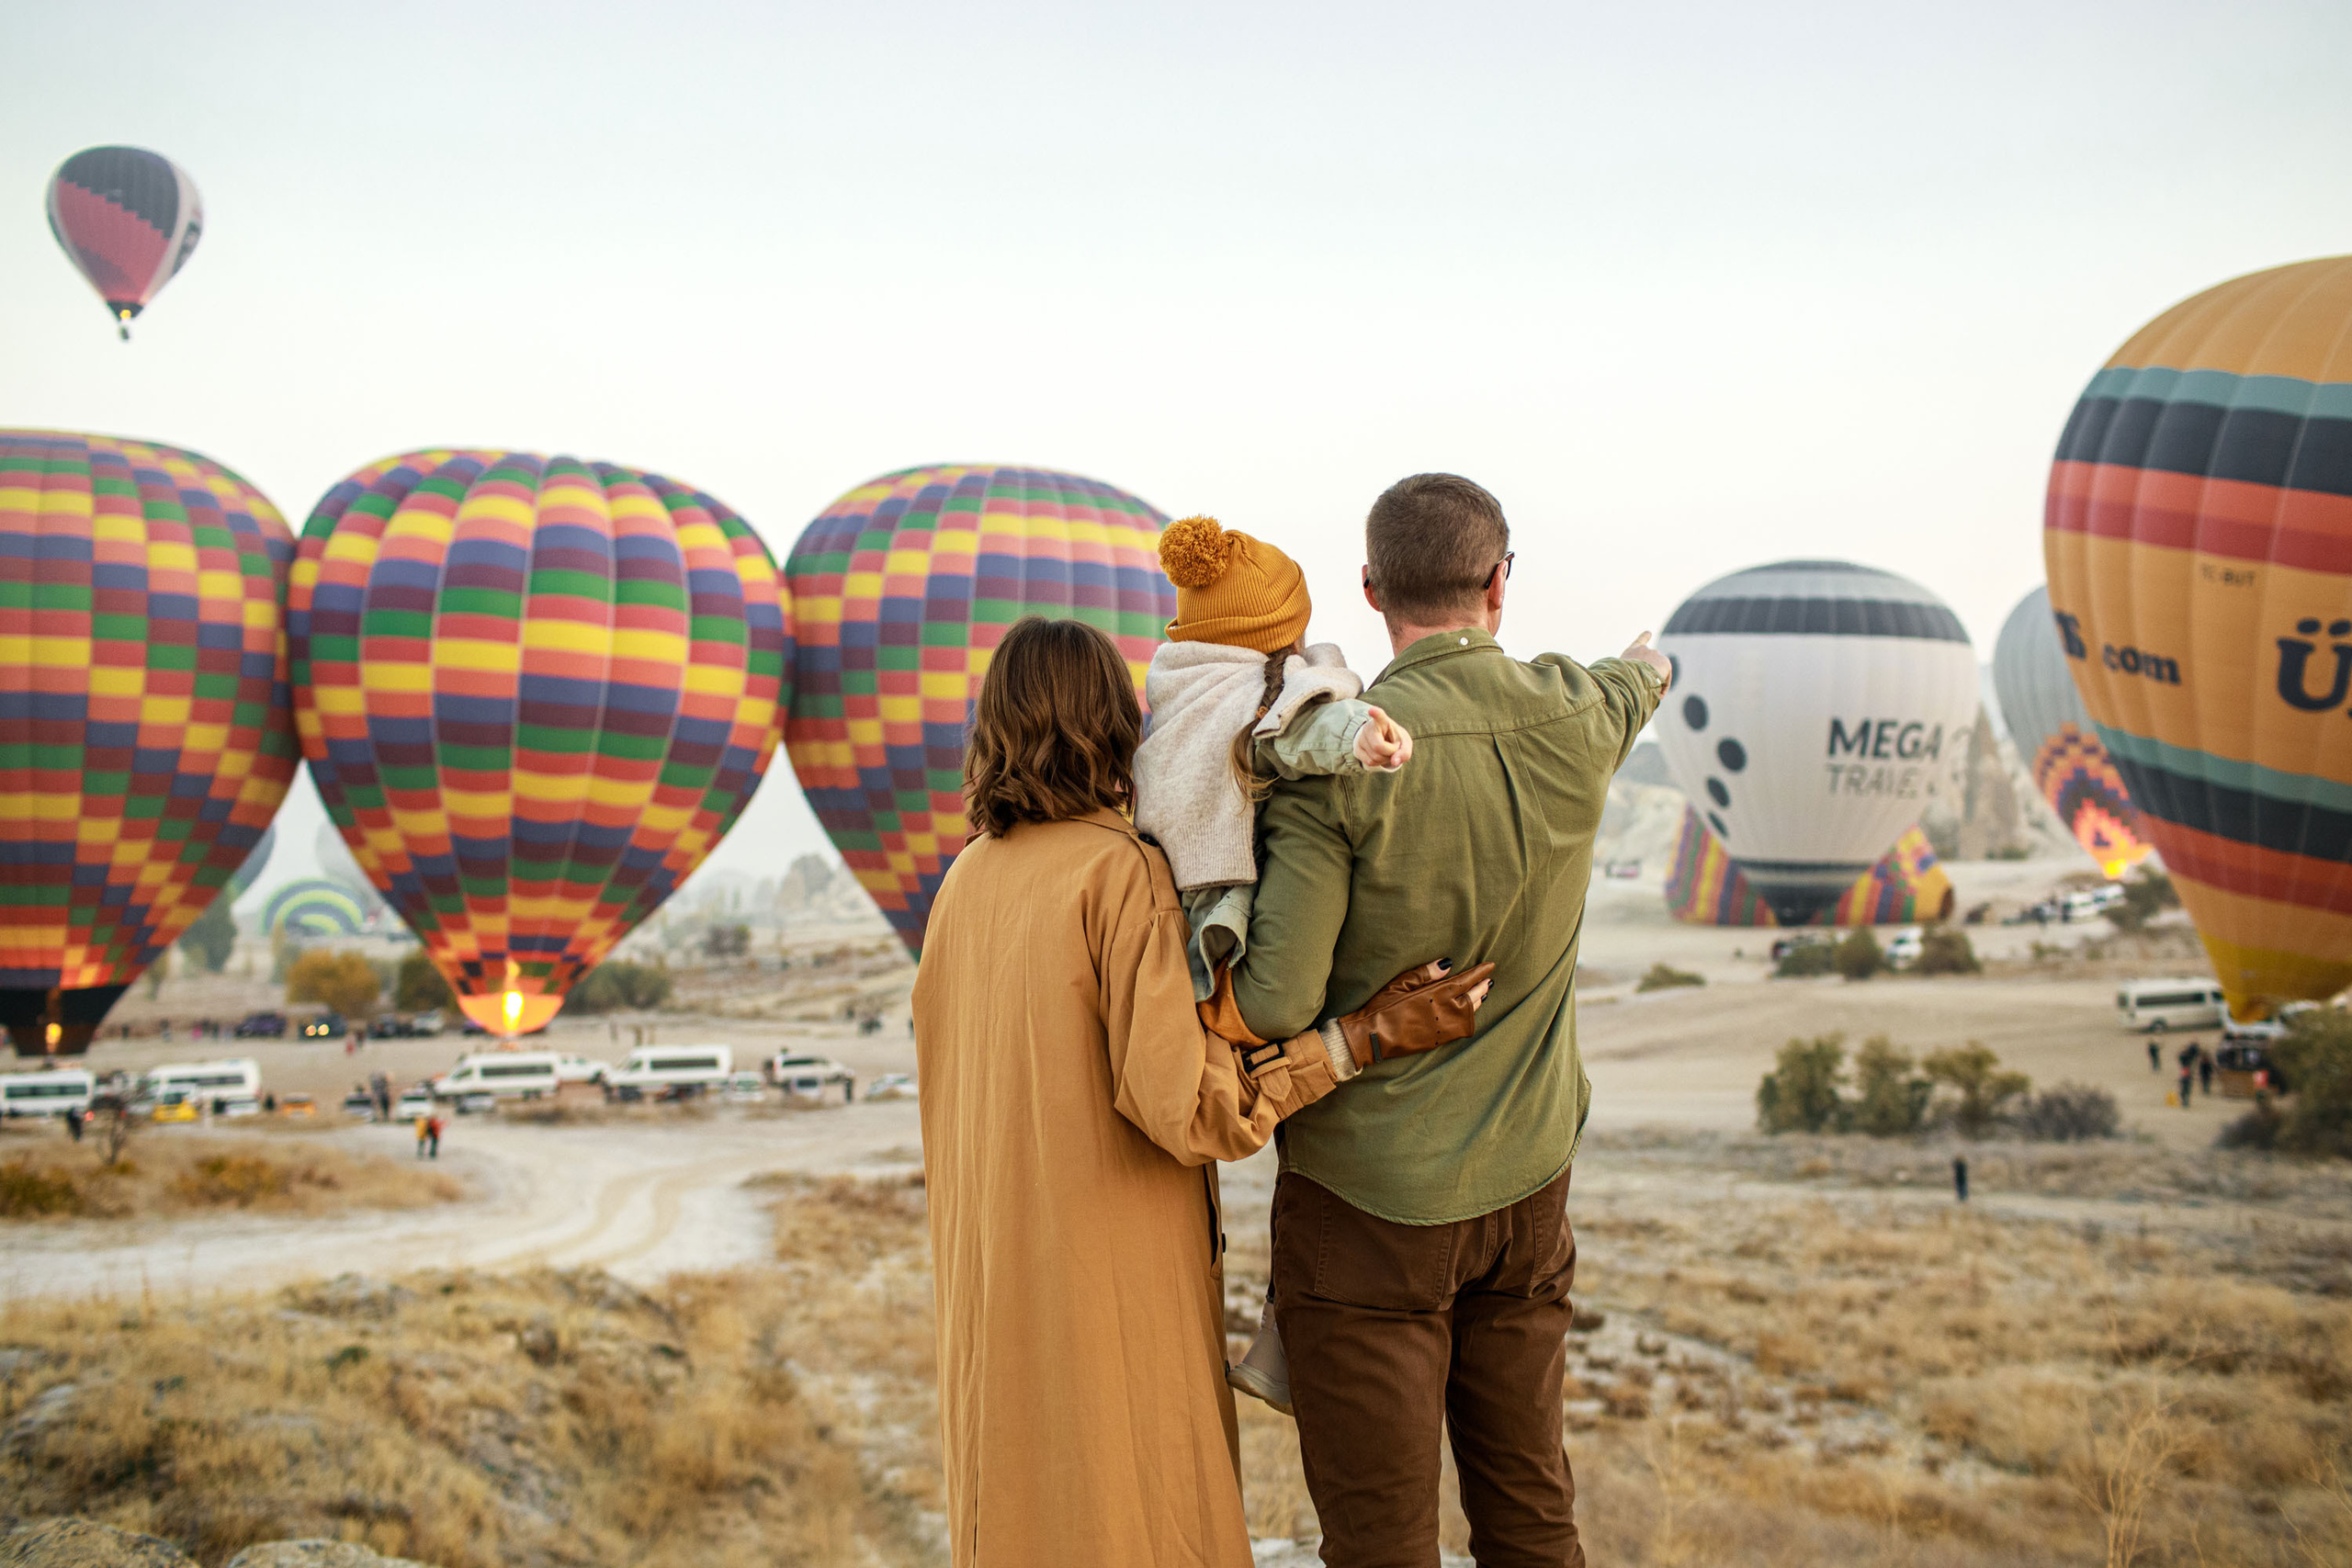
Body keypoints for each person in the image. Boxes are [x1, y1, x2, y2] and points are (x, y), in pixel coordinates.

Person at [910, 615, 1492, 1568]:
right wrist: (1358, 1039)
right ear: (1115, 724)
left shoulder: (962, 886)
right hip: (1111, 1292)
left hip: (996, 1298)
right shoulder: (1120, 872)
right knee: (1141, 1517)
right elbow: (1191, 1110)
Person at [1231, 473, 1669, 1567]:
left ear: (1372, 588)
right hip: (1527, 1191)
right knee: (1530, 1518)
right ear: (1497, 585)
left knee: (1381, 1542)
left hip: (1368, 1203)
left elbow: (1276, 1002)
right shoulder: (1577, 715)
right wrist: (1653, 663)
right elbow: (1639, 678)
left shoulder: (1339, 756)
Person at [1129, 513, 1415, 1414]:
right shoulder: (1255, 693)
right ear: (1272, 633)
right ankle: (1283, 1331)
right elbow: (1290, 734)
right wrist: (1360, 737)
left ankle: (1277, 1332)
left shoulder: (1173, 691)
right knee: (1293, 1048)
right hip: (1232, 963)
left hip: (1189, 941)